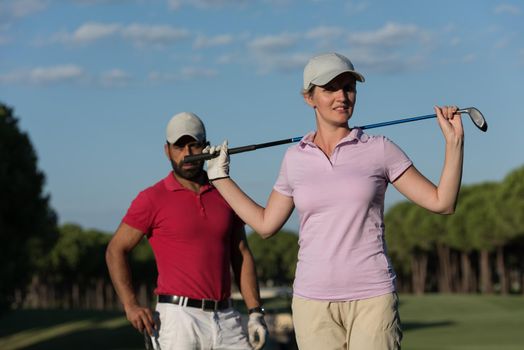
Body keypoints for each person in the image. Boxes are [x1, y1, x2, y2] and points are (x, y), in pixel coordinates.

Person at [204, 52, 464, 350]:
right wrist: (220, 179)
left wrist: (454, 143)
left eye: (349, 87)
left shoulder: (379, 149)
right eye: (330, 88)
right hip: (312, 302)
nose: (342, 96)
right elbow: (265, 225)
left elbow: (442, 202)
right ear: (309, 98)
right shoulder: (294, 159)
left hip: (372, 297)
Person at [106, 112, 268, 350]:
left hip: (226, 317)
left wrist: (255, 312)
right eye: (179, 146)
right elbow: (115, 250)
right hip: (178, 319)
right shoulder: (152, 198)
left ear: (206, 146)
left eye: (194, 145)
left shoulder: (224, 192)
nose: (187, 154)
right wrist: (131, 305)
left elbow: (241, 253)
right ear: (167, 150)